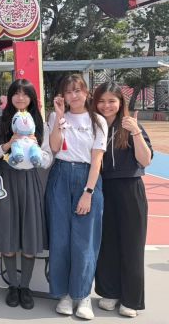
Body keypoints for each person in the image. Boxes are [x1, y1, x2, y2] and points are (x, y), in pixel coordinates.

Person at [0, 79, 52, 309]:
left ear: (32, 98)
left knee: (29, 234)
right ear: (10, 97)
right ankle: (12, 286)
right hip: (5, 181)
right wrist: (8, 145)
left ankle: (25, 287)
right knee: (8, 233)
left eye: (25, 94)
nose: (21, 98)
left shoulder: (40, 124)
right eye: (16, 93)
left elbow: (48, 159)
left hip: (30, 181)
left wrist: (35, 150)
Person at [47, 74, 107, 320]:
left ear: (86, 92)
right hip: (60, 176)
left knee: (84, 242)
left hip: (86, 178)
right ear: (63, 95)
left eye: (77, 90)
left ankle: (82, 296)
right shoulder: (56, 117)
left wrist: (88, 193)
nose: (73, 95)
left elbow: (97, 160)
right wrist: (59, 117)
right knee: (60, 239)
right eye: (68, 91)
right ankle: (63, 294)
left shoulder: (97, 120)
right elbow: (54, 147)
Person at [92, 82, 152, 318]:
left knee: (131, 245)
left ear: (120, 102)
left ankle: (131, 299)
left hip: (129, 189)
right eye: (101, 101)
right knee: (106, 244)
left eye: (111, 101)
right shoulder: (93, 126)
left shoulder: (130, 125)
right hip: (103, 189)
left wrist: (135, 131)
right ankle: (109, 292)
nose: (106, 106)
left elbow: (145, 160)